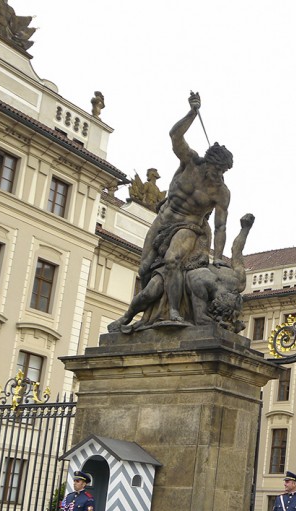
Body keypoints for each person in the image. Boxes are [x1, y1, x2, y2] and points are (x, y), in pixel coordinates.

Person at [108, 92, 233, 332]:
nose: (219, 175)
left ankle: (174, 311)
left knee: (172, 259)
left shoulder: (221, 192)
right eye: (217, 169)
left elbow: (221, 227)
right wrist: (192, 113)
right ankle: (147, 312)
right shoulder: (190, 162)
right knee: (144, 269)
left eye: (223, 171)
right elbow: (175, 135)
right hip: (163, 220)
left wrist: (218, 257)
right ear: (208, 162)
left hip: (190, 227)